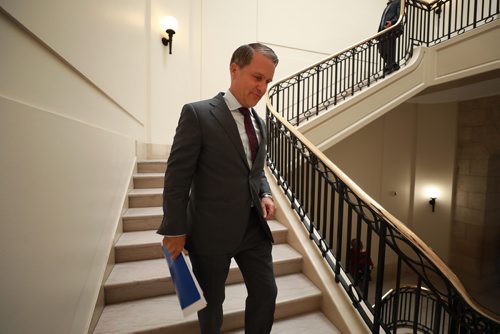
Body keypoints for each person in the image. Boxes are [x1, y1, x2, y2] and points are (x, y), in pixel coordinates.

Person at [157, 43, 279, 334]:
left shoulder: (261, 124)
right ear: (234, 69)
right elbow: (177, 176)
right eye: (257, 77)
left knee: (266, 293)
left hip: (252, 229)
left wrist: (265, 192)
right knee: (211, 305)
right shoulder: (198, 114)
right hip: (209, 231)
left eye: (268, 82)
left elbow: (255, 170)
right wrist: (174, 229)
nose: (262, 88)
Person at [378, 0, 402, 75]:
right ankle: (393, 64)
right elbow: (382, 20)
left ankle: (390, 66)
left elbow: (400, 15)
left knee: (389, 48)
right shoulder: (388, 5)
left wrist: (392, 22)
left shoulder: (398, 2)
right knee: (381, 49)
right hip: (383, 31)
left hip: (390, 29)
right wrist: (379, 32)